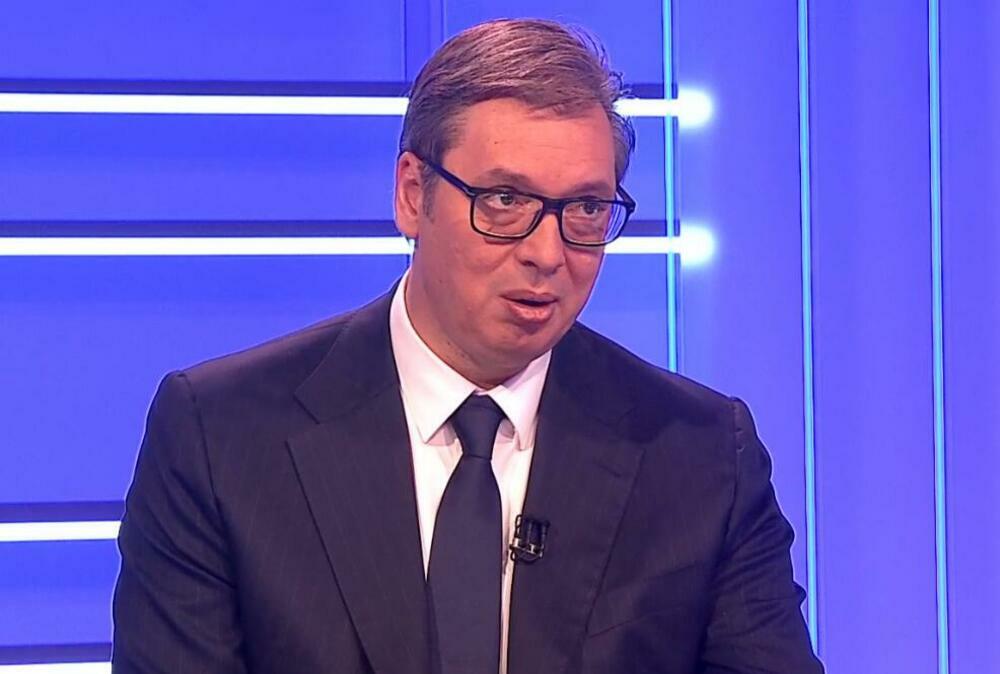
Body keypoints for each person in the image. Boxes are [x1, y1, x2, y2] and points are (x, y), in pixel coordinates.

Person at [112, 18, 824, 674]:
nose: (547, 252)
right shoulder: (221, 437)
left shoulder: (701, 455)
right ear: (412, 194)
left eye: (585, 208)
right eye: (506, 200)